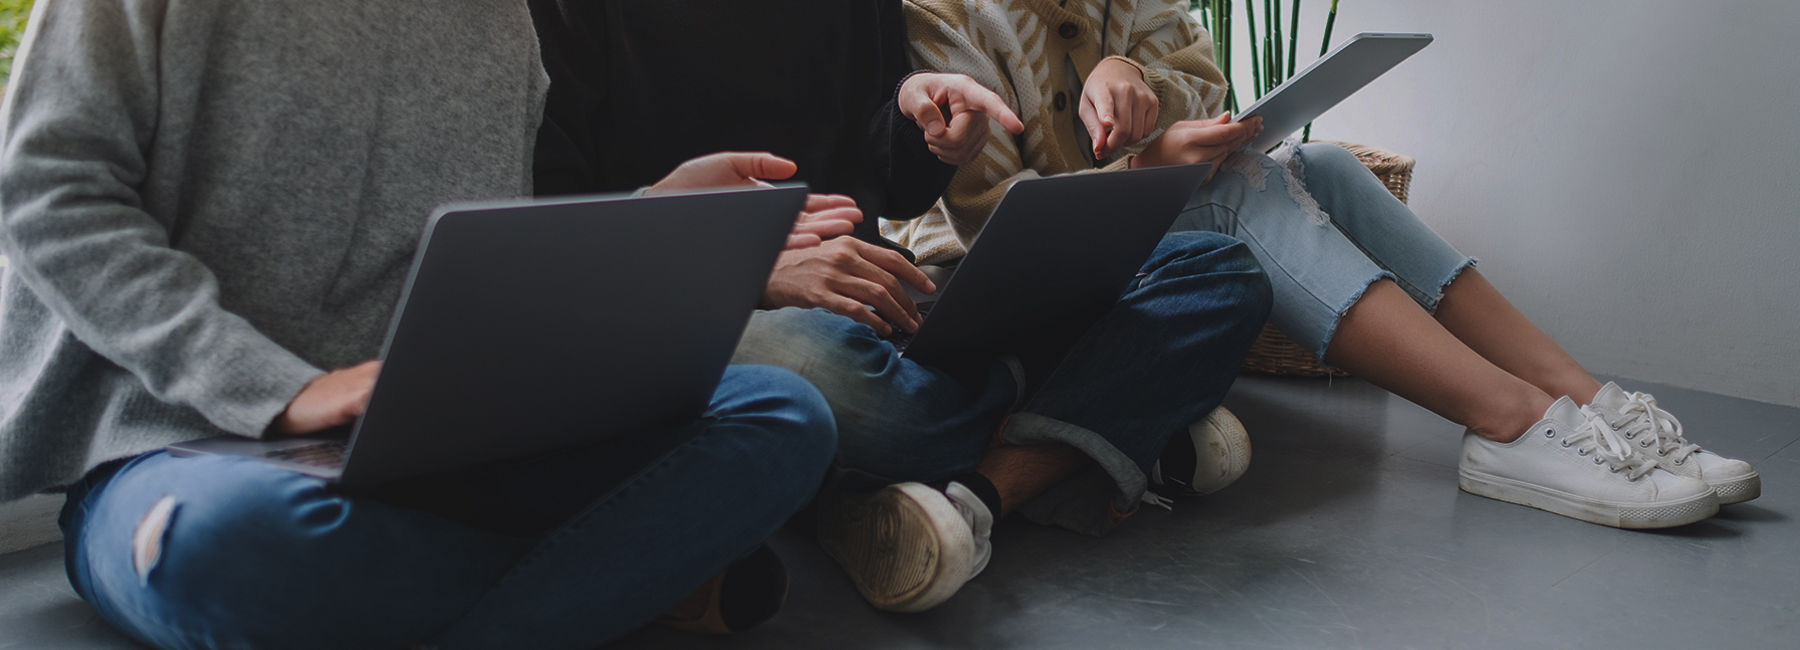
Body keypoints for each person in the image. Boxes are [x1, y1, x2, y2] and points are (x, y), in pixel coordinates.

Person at [0, 2, 850, 648]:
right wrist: (282, 390)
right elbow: (49, 193)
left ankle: (573, 583)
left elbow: (469, 254)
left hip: (433, 442)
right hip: (177, 452)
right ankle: (622, 580)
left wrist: (653, 214)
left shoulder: (501, 15)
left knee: (779, 416)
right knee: (225, 548)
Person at [891, 0, 1759, 532]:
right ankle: (1510, 427)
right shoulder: (941, 14)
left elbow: (1201, 76)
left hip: (1111, 252)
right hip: (985, 291)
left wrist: (1130, 72)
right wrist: (1150, 166)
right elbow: (993, 223)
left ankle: (1581, 399)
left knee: (1331, 166)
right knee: (1236, 196)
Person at [529, 0, 1275, 614]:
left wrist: (923, 122)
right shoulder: (560, 16)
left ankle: (933, 482)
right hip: (719, 300)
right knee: (859, 399)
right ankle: (1083, 425)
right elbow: (553, 226)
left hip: (879, 284)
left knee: (1219, 271)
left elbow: (882, 179)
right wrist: (753, 267)